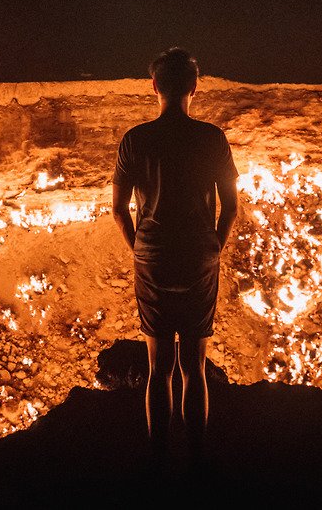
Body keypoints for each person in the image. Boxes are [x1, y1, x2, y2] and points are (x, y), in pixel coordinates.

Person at [111, 47, 239, 471]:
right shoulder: (211, 138)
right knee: (194, 367)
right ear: (193, 88)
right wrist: (214, 246)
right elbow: (231, 206)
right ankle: (198, 460)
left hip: (153, 258)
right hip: (200, 257)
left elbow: (119, 209)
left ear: (154, 86)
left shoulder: (135, 140)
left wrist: (140, 249)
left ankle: (159, 462)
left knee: (158, 366)